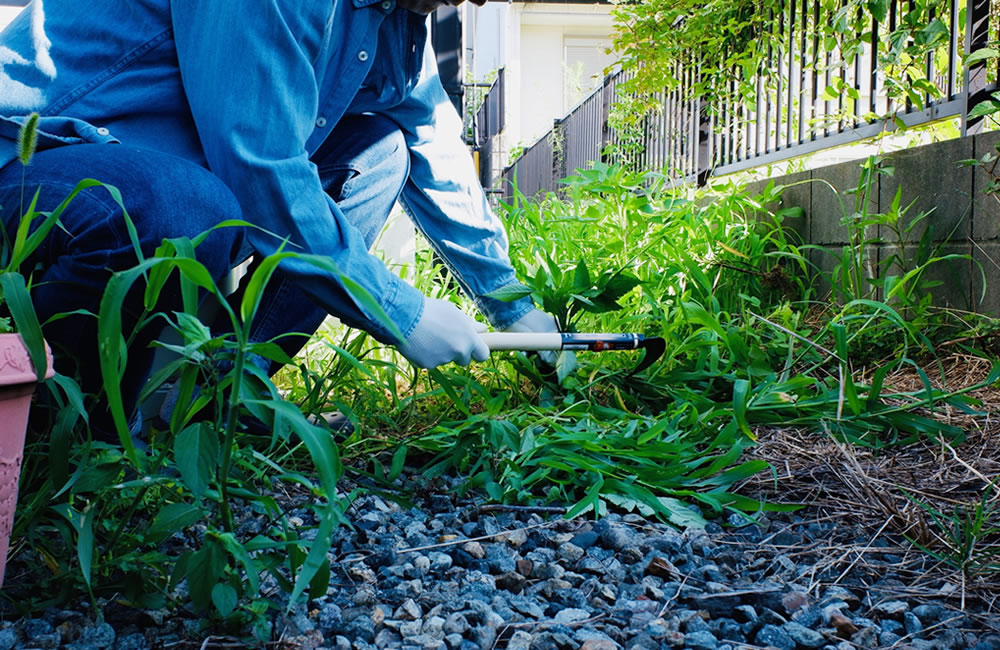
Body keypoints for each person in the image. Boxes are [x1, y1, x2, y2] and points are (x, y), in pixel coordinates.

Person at [0, 0, 557, 437]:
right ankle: (77, 435)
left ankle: (217, 392)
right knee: (186, 204)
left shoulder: (393, 15)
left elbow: (429, 133)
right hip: (33, 163)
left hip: (167, 178)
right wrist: (399, 312)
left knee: (378, 151)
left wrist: (509, 301)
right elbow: (260, 166)